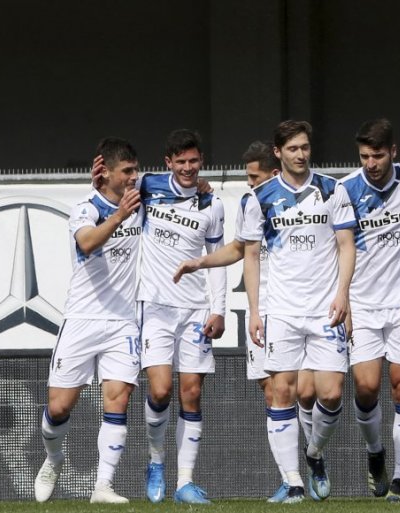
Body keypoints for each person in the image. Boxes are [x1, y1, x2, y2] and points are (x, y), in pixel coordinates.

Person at [240, 120, 357, 502]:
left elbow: (346, 245)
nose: (300, 154)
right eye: (292, 148)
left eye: (305, 147)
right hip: (282, 311)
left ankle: (314, 453)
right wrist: (255, 311)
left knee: (332, 393)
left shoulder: (332, 189)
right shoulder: (260, 198)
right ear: (278, 152)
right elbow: (251, 256)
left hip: (325, 309)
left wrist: (343, 294)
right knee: (282, 392)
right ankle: (293, 482)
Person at [172, 141, 295, 502]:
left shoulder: (308, 201)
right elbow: (239, 249)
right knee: (272, 391)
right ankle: (291, 480)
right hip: (262, 308)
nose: (250, 183)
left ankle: (314, 458)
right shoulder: (249, 204)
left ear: (275, 173)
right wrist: (201, 262)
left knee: (308, 393)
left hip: (297, 309)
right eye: (247, 177)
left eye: (254, 177)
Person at [34, 138, 142, 504]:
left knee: (118, 398)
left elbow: (178, 180)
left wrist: (202, 184)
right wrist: (119, 215)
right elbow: (87, 243)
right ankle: (53, 459)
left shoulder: (140, 200)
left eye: (135, 170)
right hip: (82, 319)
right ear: (106, 172)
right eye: (126, 171)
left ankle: (103, 486)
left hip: (123, 320)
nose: (134, 177)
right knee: (59, 407)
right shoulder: (86, 208)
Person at [339, 119, 400, 501]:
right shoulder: (346, 188)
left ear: (393, 152)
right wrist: (342, 299)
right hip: (362, 303)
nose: (371, 163)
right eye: (364, 156)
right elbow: (336, 247)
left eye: (377, 155)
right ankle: (375, 451)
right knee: (365, 388)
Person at [139, 129, 227, 504]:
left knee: (191, 392)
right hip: (155, 306)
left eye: (194, 161)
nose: (189, 168)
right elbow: (113, 187)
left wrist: (218, 308)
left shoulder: (212, 203)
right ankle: (155, 461)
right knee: (160, 390)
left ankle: (184, 483)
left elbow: (217, 259)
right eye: (181, 162)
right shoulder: (147, 186)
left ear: (201, 160)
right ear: (168, 163)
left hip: (195, 309)